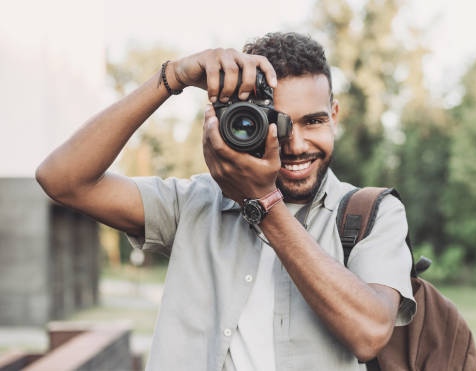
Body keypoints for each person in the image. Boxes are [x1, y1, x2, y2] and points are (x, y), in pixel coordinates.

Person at [36, 32, 415, 371]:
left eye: (313, 121)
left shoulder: (371, 213)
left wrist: (263, 202)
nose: (297, 145)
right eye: (279, 124)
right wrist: (172, 78)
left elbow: (368, 333)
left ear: (334, 115)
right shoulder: (192, 205)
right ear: (238, 122)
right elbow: (63, 180)